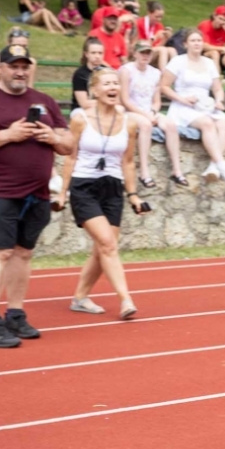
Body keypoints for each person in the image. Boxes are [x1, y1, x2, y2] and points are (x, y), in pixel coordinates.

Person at [0, 44, 75, 348]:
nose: (20, 72)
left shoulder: (45, 101)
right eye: (13, 66)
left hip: (37, 193)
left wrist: (52, 137)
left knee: (23, 253)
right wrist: (8, 134)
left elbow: (68, 143)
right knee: (0, 252)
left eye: (24, 66)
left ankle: (15, 314)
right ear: (1, 67)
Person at [55, 68, 146, 320]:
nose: (112, 87)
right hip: (84, 186)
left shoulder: (129, 122)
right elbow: (70, 157)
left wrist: (133, 195)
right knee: (107, 243)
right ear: (95, 90)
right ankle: (125, 299)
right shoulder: (80, 119)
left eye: (116, 83)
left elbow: (128, 162)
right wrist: (63, 193)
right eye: (106, 83)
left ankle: (80, 298)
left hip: (112, 187)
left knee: (102, 248)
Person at [160, 29, 225, 185]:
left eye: (199, 40)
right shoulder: (178, 61)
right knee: (207, 123)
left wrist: (219, 100)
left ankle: (213, 167)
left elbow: (217, 88)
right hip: (183, 105)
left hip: (205, 105)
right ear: (185, 44)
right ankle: (223, 166)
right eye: (193, 40)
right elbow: (164, 86)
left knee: (224, 124)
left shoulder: (209, 63)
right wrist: (182, 99)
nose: (197, 43)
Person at [118, 40, 161, 187]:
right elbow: (125, 100)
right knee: (146, 125)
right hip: (130, 110)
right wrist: (146, 115)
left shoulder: (155, 73)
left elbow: (157, 101)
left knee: (171, 126)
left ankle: (177, 171)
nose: (145, 55)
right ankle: (144, 171)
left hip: (148, 110)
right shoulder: (126, 70)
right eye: (142, 52)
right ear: (135, 53)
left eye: (148, 52)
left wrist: (153, 112)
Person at [70, 37, 106, 114]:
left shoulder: (107, 72)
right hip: (82, 110)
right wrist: (106, 102)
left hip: (104, 108)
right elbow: (84, 103)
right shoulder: (80, 74)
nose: (97, 56)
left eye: (100, 53)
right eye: (93, 53)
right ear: (86, 54)